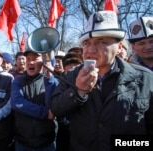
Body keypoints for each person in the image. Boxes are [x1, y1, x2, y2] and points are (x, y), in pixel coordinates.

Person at [50, 11, 153, 151]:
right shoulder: (71, 76)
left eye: (101, 42)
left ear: (119, 47)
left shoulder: (145, 78)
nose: (91, 49)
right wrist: (78, 92)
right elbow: (55, 109)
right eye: (86, 43)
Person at [11, 49, 58, 151]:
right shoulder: (18, 81)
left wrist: (49, 78)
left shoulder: (52, 81)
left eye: (35, 59)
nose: (31, 62)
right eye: (28, 59)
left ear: (44, 62)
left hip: (47, 143)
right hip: (23, 142)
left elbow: (53, 107)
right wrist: (45, 113)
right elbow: (17, 102)